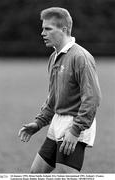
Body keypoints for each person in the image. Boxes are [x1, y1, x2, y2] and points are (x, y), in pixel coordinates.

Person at [18, 7, 102, 173]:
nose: (42, 33)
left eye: (48, 29)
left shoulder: (80, 57)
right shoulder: (54, 57)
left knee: (66, 176)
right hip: (57, 123)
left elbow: (93, 98)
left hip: (74, 124)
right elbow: (53, 98)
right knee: (36, 173)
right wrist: (38, 123)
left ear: (64, 30)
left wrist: (75, 130)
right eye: (43, 28)